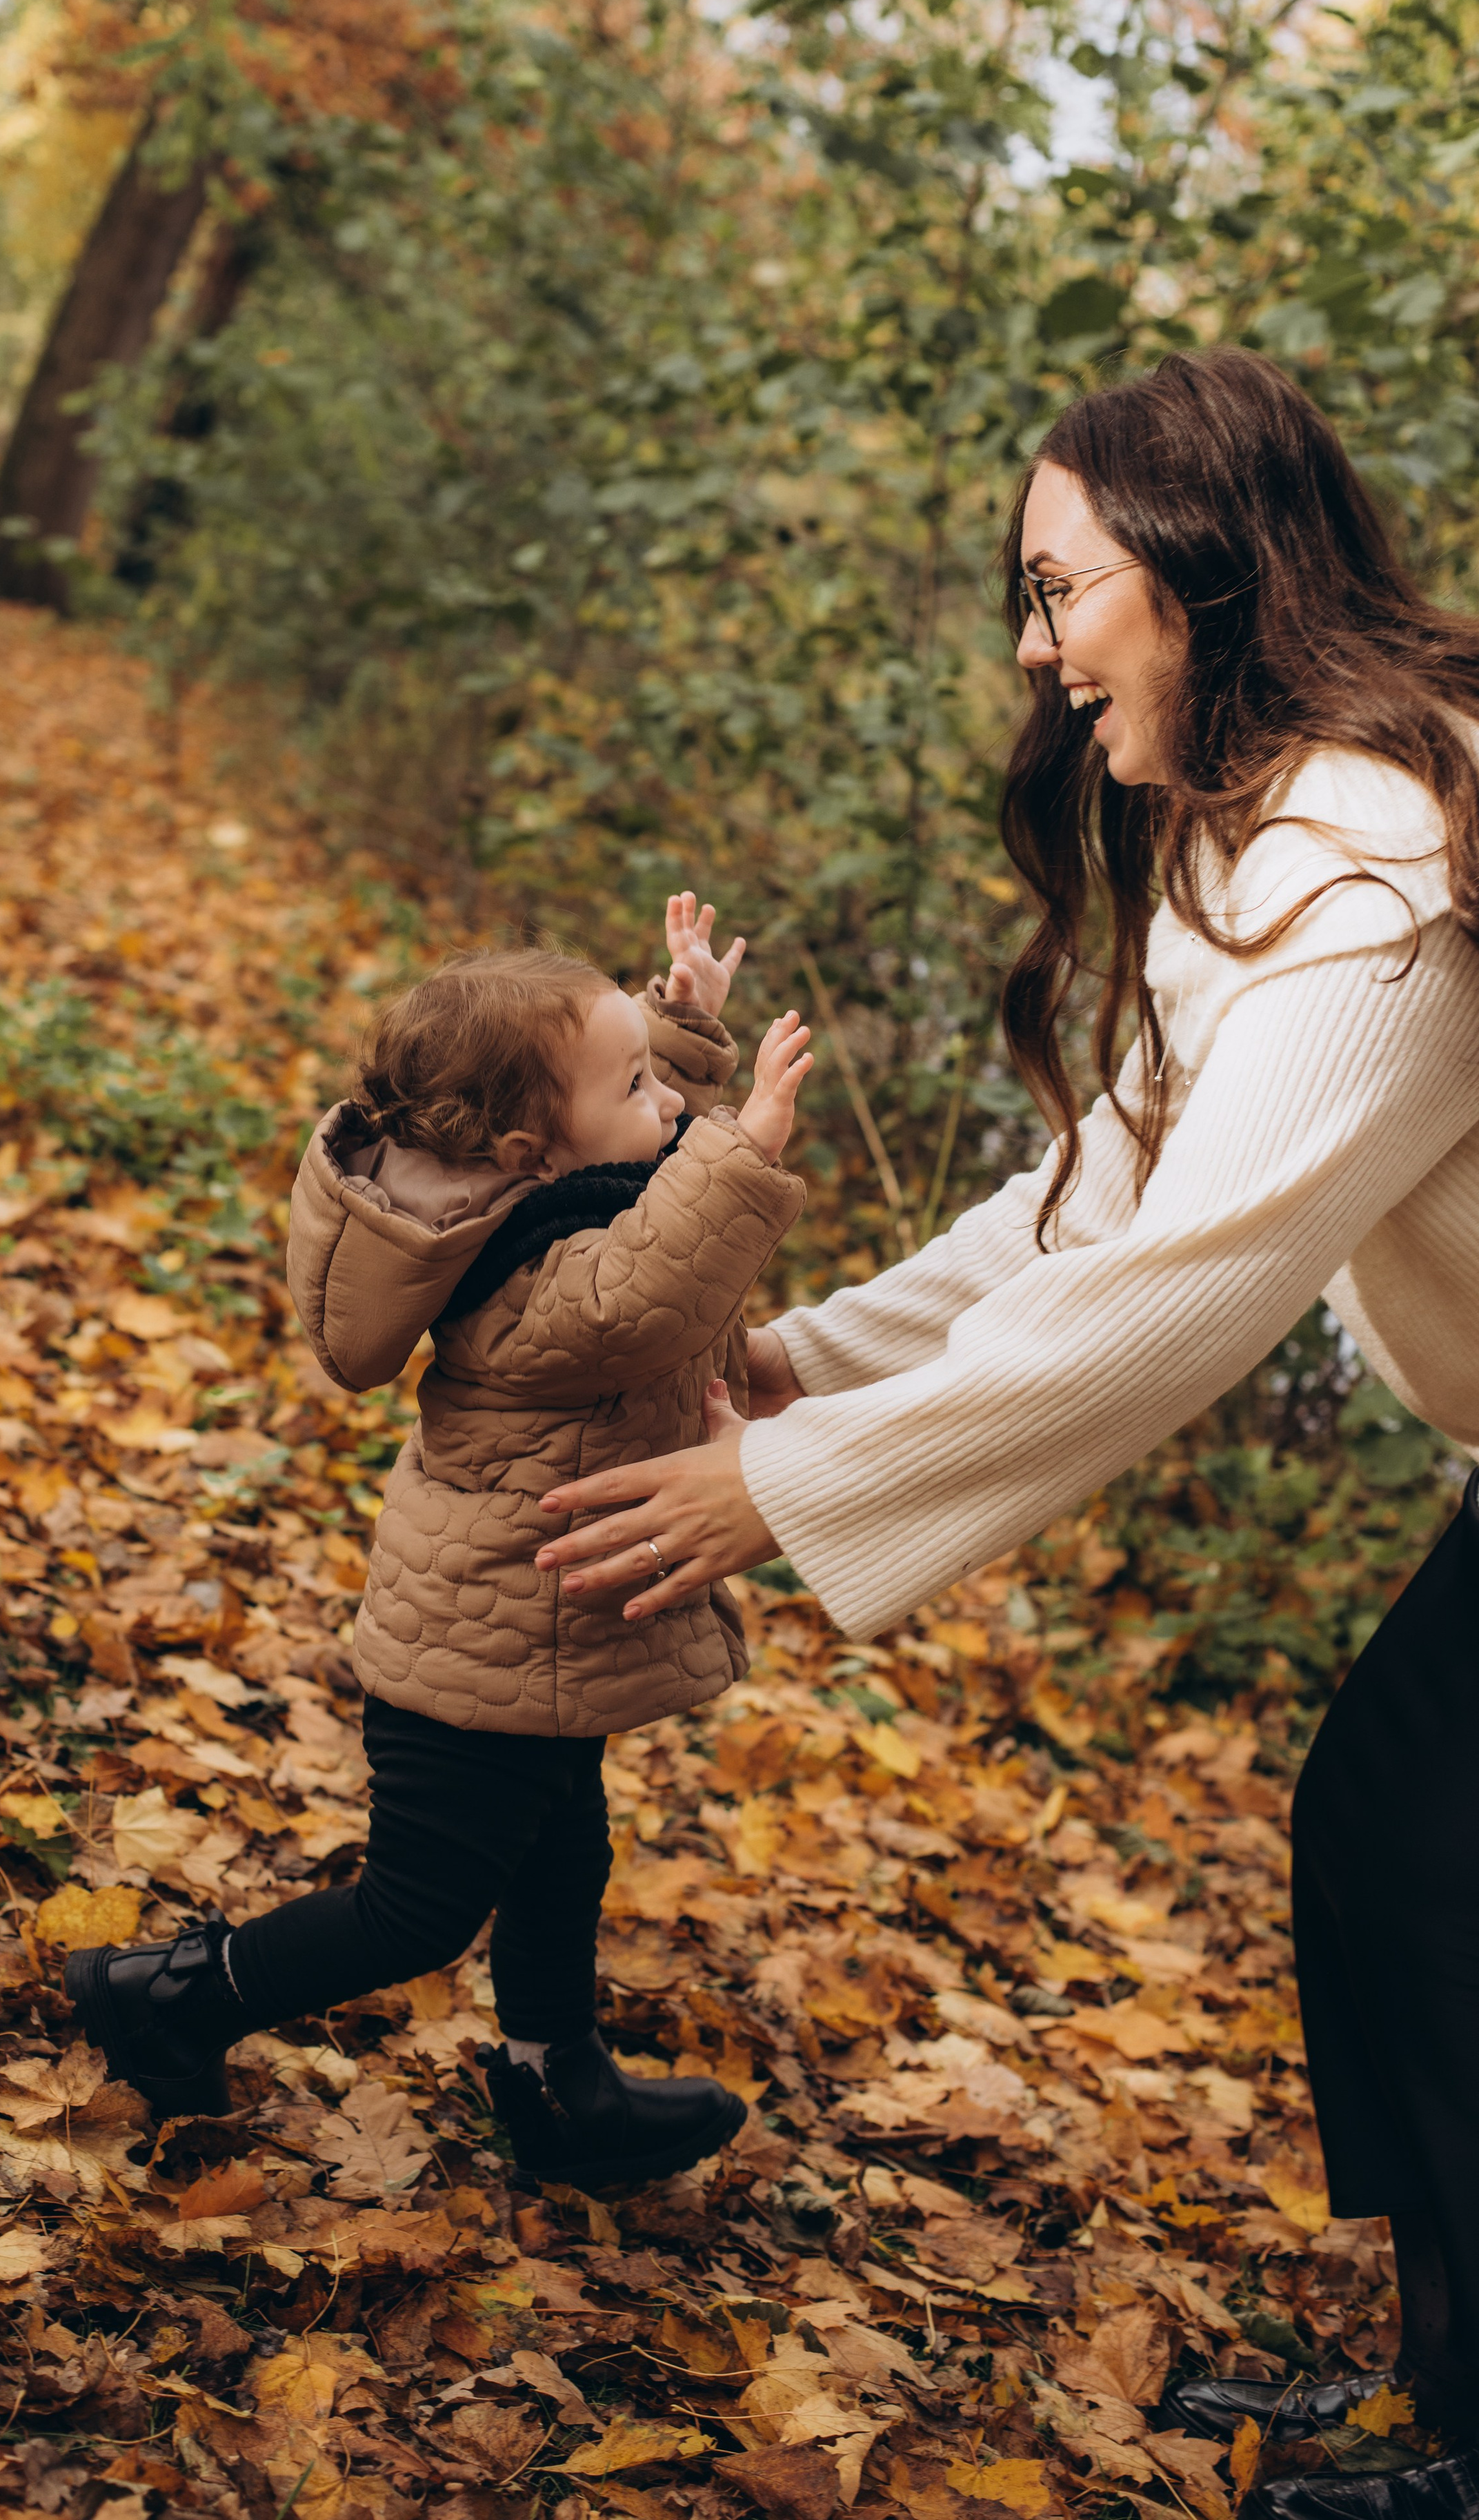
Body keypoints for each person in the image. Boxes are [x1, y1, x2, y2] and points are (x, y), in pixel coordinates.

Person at [533, 349, 1479, 2518]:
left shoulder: (1379, 889)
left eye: (1061, 592)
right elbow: (1111, 1183)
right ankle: (1450, 2397)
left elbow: (1177, 1299)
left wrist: (772, 1490)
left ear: (1207, 576)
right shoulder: (1271, 834)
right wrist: (806, 1363)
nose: (1034, 653)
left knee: (1429, 1868)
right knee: (1406, 1851)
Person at [66, 900, 811, 2191]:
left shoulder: (538, 1182)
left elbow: (628, 1149)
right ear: (529, 1145)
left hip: (537, 1632)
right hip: (481, 1643)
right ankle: (172, 1997)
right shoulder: (520, 1276)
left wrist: (677, 1027)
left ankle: (553, 2079)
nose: (673, 1108)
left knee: (567, 1854)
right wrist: (746, 1149)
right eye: (640, 1081)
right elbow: (639, 1290)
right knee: (418, 1912)